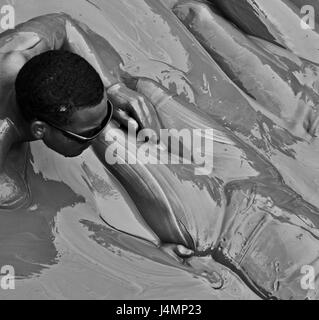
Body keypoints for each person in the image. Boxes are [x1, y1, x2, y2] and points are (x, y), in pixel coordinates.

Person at [0, 13, 161, 209]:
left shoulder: (23, 52)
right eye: (88, 134)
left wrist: (112, 87)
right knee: (13, 196)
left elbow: (63, 24)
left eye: (106, 116)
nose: (104, 133)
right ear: (39, 129)